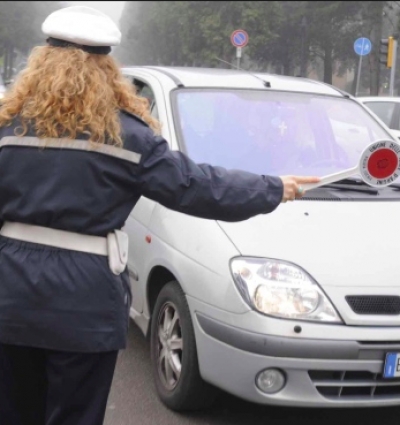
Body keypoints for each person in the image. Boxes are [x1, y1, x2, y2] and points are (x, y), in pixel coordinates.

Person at [0, 6, 320, 425]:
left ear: (40, 63)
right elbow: (198, 187)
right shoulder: (127, 137)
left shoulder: (8, 128)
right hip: (85, 303)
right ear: (106, 68)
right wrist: (274, 187)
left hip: (10, 294)